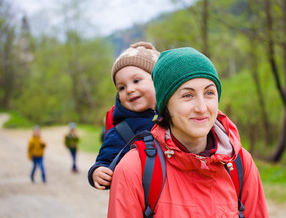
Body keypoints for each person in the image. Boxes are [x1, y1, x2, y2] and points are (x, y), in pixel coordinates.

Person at [108, 47, 269, 218]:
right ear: (165, 106)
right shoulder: (134, 168)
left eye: (209, 93)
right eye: (187, 95)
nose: (201, 108)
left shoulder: (240, 163)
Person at [88, 41, 160, 190]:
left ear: (158, 80)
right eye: (122, 87)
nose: (130, 89)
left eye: (136, 81)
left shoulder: (177, 116)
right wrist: (97, 171)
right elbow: (106, 159)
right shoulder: (122, 130)